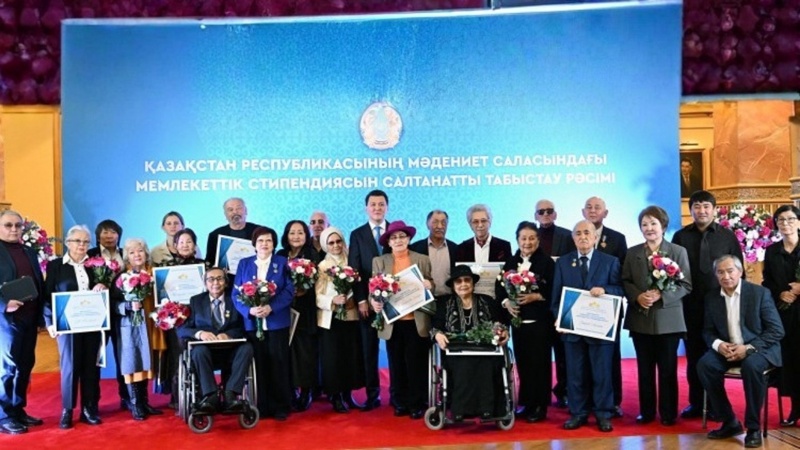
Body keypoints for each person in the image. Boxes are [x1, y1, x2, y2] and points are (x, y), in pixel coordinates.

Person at [698, 255, 784, 449]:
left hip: (759, 349)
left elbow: (776, 330)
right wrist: (719, 344)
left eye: (730, 271)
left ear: (740, 271)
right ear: (715, 275)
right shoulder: (712, 297)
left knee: (751, 366)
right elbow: (708, 331)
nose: (726, 276)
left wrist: (748, 349)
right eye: (720, 272)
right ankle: (729, 421)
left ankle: (753, 428)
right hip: (728, 349)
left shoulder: (759, 293)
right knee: (705, 365)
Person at [672, 190, 743, 419]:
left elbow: (739, 271)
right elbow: (672, 271)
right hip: (690, 306)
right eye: (697, 206)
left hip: (720, 307)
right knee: (693, 356)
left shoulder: (727, 236)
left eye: (706, 206)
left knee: (716, 356)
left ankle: (715, 405)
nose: (701, 211)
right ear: (690, 210)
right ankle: (696, 403)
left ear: (714, 209)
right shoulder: (680, 236)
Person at [550, 220, 624, 432]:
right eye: (578, 233)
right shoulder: (563, 263)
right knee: (575, 375)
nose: (582, 237)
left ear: (595, 237)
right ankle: (578, 413)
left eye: (587, 233)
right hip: (572, 330)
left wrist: (605, 289)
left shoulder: (610, 261)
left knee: (602, 374)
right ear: (573, 238)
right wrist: (559, 319)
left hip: (600, 329)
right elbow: (556, 297)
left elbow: (621, 290)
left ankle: (603, 414)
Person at [622, 206, 692, 426]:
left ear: (663, 225)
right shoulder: (632, 253)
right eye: (644, 224)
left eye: (653, 223)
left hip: (668, 320)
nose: (649, 228)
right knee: (644, 370)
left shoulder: (678, 251)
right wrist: (638, 296)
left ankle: (669, 413)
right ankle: (647, 411)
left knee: (668, 369)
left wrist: (662, 295)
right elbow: (625, 281)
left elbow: (686, 284)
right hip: (640, 319)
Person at [44, 225, 107, 429]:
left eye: (86, 241)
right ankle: (67, 410)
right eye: (78, 241)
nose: (82, 245)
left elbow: (103, 291)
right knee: (70, 367)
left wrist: (102, 286)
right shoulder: (56, 266)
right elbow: (47, 297)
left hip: (92, 324)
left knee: (91, 367)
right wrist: (50, 322)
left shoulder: (96, 265)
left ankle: (89, 409)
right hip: (67, 325)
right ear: (68, 243)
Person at [371, 220, 434, 420]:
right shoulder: (380, 261)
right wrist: (374, 302)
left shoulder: (422, 259)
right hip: (393, 322)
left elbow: (431, 283)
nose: (398, 240)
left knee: (416, 364)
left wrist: (429, 284)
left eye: (402, 236)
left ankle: (417, 403)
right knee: (396, 363)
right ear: (388, 242)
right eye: (394, 237)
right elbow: (374, 289)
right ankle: (399, 402)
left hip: (416, 320)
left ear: (408, 239)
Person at [431, 265, 510, 421]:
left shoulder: (487, 301)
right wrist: (438, 335)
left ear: (473, 283)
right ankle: (460, 410)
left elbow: (500, 323)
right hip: (456, 353)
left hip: (486, 351)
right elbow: (435, 327)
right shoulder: (444, 303)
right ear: (453, 286)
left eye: (467, 280)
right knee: (463, 365)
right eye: (458, 281)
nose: (463, 284)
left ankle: (488, 410)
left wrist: (503, 332)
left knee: (486, 364)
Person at [232, 226, 295, 421]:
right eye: (260, 240)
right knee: (258, 364)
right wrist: (249, 311)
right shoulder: (244, 264)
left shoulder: (282, 263)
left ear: (274, 244)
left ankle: (281, 406)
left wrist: (271, 307)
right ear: (254, 244)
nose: (264, 244)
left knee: (279, 363)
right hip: (252, 324)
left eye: (268, 240)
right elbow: (235, 294)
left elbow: (289, 291)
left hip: (276, 322)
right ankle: (261, 405)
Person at [496, 221, 554, 423]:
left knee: (540, 364)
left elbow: (554, 289)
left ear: (538, 240)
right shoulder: (511, 262)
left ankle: (540, 406)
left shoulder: (547, 263)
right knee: (523, 364)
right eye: (523, 238)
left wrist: (536, 296)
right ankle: (527, 403)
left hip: (540, 323)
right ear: (517, 240)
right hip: (519, 323)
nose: (527, 242)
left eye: (531, 238)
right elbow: (499, 287)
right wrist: (506, 303)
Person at [177, 267, 254, 414]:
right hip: (206, 353)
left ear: (226, 282)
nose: (215, 283)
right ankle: (210, 396)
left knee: (247, 348)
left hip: (231, 351)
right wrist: (200, 334)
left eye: (220, 279)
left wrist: (229, 335)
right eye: (211, 279)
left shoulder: (236, 299)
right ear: (205, 283)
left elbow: (244, 327)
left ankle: (231, 394)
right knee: (198, 351)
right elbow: (182, 329)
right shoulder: (196, 301)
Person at [582, 196, 628, 417]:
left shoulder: (617, 239)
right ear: (583, 212)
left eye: (597, 207)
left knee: (610, 358)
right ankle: (587, 400)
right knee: (584, 358)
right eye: (589, 207)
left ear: (605, 213)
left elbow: (623, 277)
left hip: (608, 310)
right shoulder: (577, 235)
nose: (593, 211)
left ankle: (613, 401)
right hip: (582, 311)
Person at [0, 210, 45, 435]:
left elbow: (38, 282)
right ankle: (4, 416)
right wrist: (3, 304)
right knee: (7, 369)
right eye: (8, 225)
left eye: (18, 225)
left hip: (30, 317)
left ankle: (18, 410)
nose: (14, 229)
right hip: (6, 320)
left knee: (25, 366)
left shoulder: (29, 251)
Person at [348, 189, 390, 411]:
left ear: (387, 207)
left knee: (396, 349)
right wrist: (362, 300)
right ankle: (372, 395)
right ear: (366, 208)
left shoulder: (396, 232)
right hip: (368, 303)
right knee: (369, 350)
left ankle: (398, 394)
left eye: (381, 204)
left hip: (395, 303)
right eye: (373, 204)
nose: (377, 208)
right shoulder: (357, 234)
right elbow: (354, 270)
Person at [112, 238, 163, 420]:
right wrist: (128, 306)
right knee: (133, 362)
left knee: (145, 362)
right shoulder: (121, 277)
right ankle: (135, 404)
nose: (137, 255)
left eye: (140, 251)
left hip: (149, 324)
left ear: (146, 253)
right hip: (129, 326)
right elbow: (111, 304)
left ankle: (144, 401)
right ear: (127, 256)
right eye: (132, 252)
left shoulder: (153, 274)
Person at [316, 227, 365, 413]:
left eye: (338, 241)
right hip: (331, 319)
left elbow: (359, 286)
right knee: (333, 359)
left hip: (351, 316)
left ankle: (347, 395)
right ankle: (335, 397)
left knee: (350, 356)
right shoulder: (322, 267)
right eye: (331, 243)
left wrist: (354, 299)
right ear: (325, 245)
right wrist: (332, 300)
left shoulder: (352, 262)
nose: (336, 246)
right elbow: (316, 296)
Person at [155, 228, 206, 408]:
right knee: (177, 356)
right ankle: (178, 397)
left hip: (200, 317)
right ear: (175, 245)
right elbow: (161, 295)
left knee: (199, 354)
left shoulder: (204, 266)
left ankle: (203, 394)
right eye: (181, 242)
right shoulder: (164, 267)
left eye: (189, 242)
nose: (185, 245)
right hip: (175, 319)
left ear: (195, 245)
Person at [761, 204, 800, 427]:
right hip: (784, 313)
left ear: (799, 222)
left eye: (790, 219)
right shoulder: (772, 251)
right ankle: (796, 408)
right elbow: (767, 281)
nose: (786, 223)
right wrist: (780, 293)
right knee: (791, 361)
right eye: (781, 220)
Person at [277, 220, 321, 412]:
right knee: (287, 352)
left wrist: (304, 289)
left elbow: (319, 283)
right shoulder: (279, 255)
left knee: (305, 353)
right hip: (283, 311)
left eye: (300, 232)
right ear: (286, 235)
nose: (296, 236)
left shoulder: (312, 255)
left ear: (306, 235)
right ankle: (290, 390)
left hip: (305, 310)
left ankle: (306, 391)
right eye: (292, 232)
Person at [534, 199, 575, 408]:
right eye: (541, 211)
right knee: (540, 354)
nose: (545, 214)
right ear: (535, 216)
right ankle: (540, 394)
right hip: (539, 305)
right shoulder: (530, 237)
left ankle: (564, 391)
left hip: (562, 301)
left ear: (555, 214)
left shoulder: (568, 236)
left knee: (563, 353)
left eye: (549, 211)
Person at [87, 218, 130, 410]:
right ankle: (92, 402)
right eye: (105, 232)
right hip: (97, 314)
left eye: (113, 232)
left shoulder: (125, 254)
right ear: (98, 236)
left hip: (122, 313)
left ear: (119, 235)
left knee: (124, 356)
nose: (109, 236)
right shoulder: (90, 255)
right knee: (95, 358)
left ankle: (127, 397)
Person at [410, 209, 458, 297]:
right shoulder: (415, 248)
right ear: (427, 224)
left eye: (443, 222)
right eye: (435, 222)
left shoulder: (456, 249)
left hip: (449, 299)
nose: (440, 226)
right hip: (423, 298)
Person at [205, 197, 262, 269]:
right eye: (230, 210)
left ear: (246, 211)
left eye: (238, 208)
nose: (235, 212)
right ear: (225, 214)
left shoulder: (260, 232)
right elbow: (210, 261)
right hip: (226, 275)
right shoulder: (215, 235)